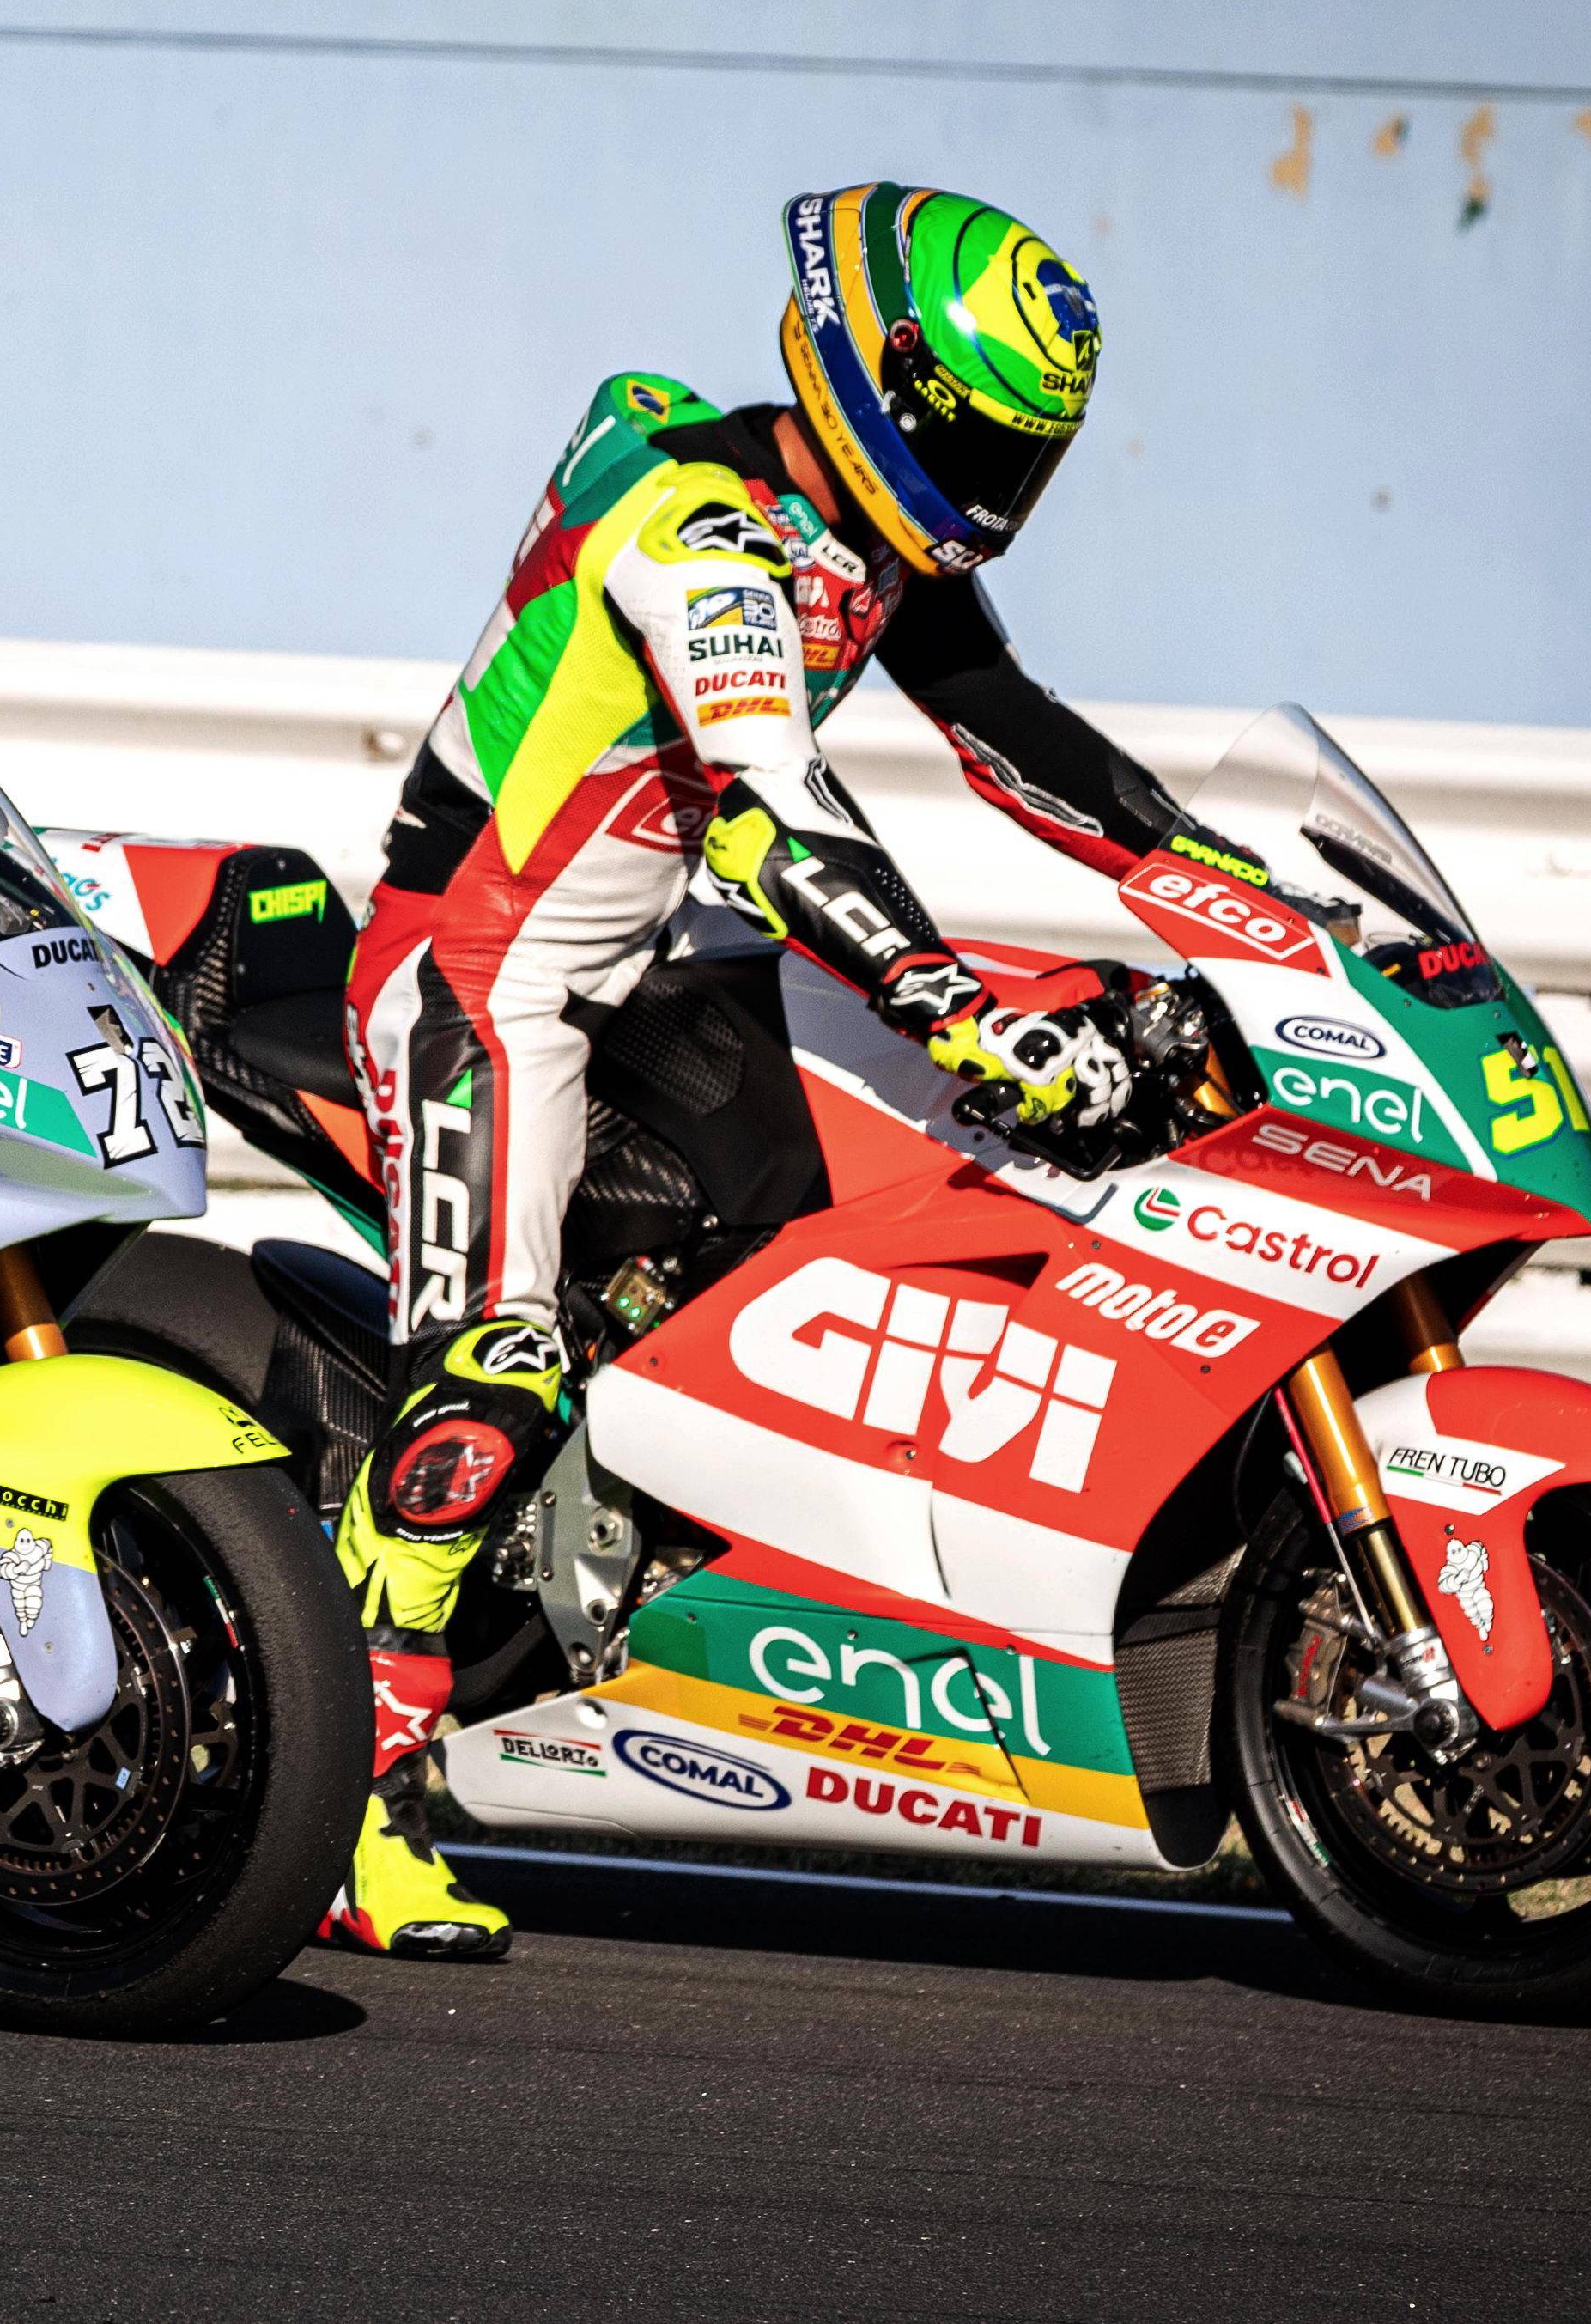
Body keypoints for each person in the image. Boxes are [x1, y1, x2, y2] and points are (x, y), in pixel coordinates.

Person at [325, 183, 1246, 1958]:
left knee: (927, 1165)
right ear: (869, 382)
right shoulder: (696, 528)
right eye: (970, 439)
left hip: (650, 957)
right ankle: (359, 1808)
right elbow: (773, 808)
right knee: (490, 1375)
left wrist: (1235, 891)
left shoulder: (867, 541)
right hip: (484, 976)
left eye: (1020, 455)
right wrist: (951, 1001)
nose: (991, 487)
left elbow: (1011, 731)